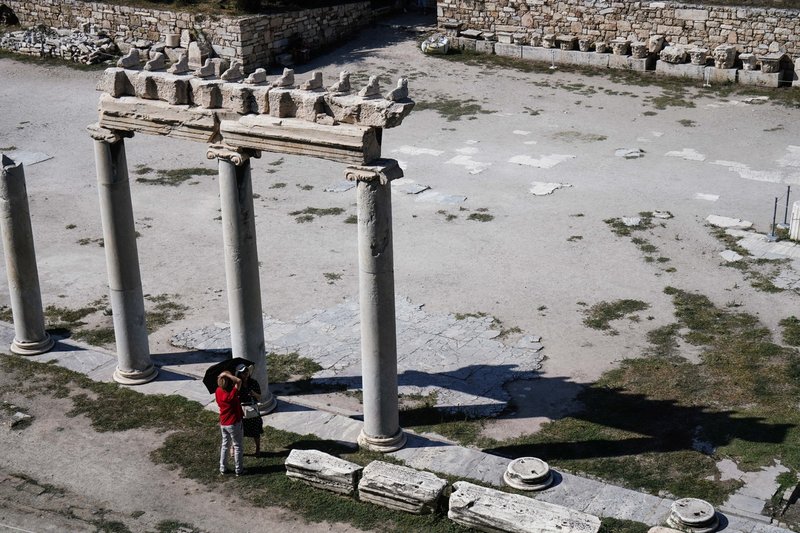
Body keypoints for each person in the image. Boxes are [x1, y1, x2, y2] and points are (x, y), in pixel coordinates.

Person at [215, 370, 244, 476]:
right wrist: (227, 375)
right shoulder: (231, 394)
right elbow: (239, 381)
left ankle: (223, 468)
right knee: (237, 446)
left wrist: (224, 376)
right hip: (234, 423)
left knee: (225, 445)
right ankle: (239, 469)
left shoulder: (218, 391)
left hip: (224, 422)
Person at [236, 364, 264, 456]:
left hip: (252, 409)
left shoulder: (253, 382)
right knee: (238, 432)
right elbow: (233, 396)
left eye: (246, 371)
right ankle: (234, 447)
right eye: (243, 372)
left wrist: (253, 393)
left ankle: (258, 448)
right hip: (241, 411)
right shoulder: (236, 385)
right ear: (238, 374)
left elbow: (259, 397)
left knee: (256, 431)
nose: (246, 374)